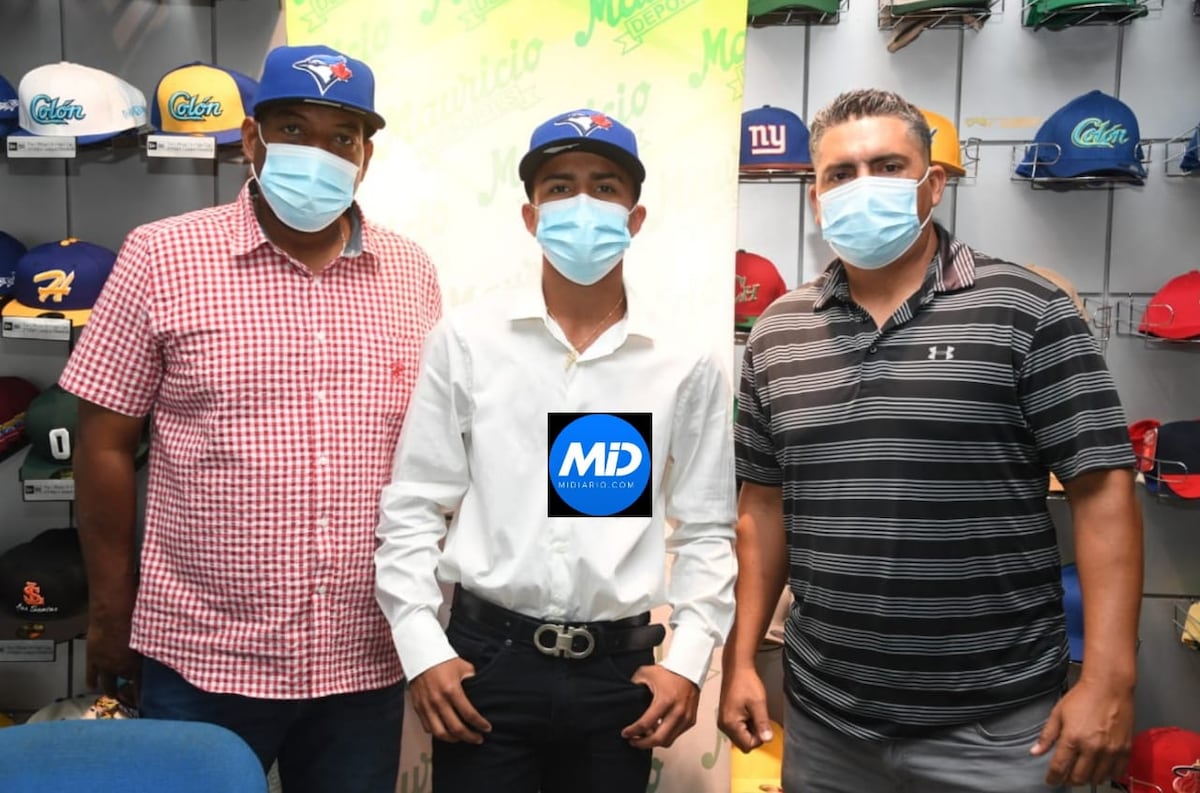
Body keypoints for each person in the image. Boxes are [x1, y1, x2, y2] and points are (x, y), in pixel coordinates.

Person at [718, 88, 1143, 792]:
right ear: (816, 199)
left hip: (997, 727)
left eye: (888, 166)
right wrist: (739, 662)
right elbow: (761, 509)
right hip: (826, 725)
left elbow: (1103, 493)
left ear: (932, 183)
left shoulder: (1026, 310)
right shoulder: (778, 332)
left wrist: (1108, 680)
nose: (863, 186)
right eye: (840, 174)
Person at [59, 44, 442, 793]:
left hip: (362, 656)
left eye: (342, 137)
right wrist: (109, 607)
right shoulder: (162, 255)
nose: (318, 153)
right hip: (203, 657)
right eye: (293, 129)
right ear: (251, 139)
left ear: (365, 157)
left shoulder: (411, 271)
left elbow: (429, 457)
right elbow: (104, 442)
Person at [374, 108, 737, 793]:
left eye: (605, 186)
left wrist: (689, 661)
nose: (582, 204)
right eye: (560, 186)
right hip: (487, 665)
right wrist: (422, 648)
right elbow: (414, 506)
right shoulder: (468, 341)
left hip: (619, 675)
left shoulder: (684, 360)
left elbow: (707, 529)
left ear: (635, 218)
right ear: (531, 215)